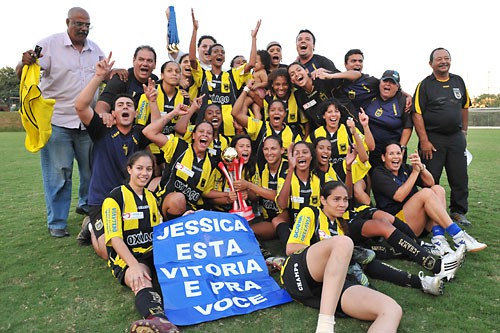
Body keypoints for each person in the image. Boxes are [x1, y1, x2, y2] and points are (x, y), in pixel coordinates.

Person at [15, 7, 105, 237]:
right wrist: (23, 62)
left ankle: (86, 205)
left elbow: (106, 73)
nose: (83, 28)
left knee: (91, 172)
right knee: (58, 175)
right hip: (58, 122)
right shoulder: (49, 45)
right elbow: (23, 70)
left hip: (87, 123)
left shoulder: (95, 49)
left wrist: (119, 72)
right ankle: (57, 222)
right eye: (79, 24)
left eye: (87, 25)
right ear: (68, 22)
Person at [280, 181, 402, 333]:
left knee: (391, 309)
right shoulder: (311, 212)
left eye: (345, 200)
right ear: (323, 200)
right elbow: (291, 248)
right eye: (336, 199)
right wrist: (332, 250)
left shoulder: (341, 227)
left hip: (328, 287)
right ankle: (325, 326)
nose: (342, 204)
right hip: (299, 272)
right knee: (344, 243)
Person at [74, 54, 163, 259]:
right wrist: (98, 77)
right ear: (112, 113)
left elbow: (157, 129)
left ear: (134, 114)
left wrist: (152, 102)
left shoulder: (138, 133)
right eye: (120, 105)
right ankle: (90, 226)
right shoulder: (101, 129)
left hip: (127, 199)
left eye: (129, 105)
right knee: (108, 252)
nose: (125, 107)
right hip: (102, 200)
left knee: (137, 241)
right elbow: (80, 106)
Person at [102, 150, 179, 333]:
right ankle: (157, 320)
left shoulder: (151, 197)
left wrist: (185, 218)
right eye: (139, 168)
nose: (144, 173)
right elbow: (114, 238)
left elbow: (161, 228)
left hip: (153, 253)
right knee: (141, 280)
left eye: (149, 169)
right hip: (128, 258)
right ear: (129, 169)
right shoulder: (114, 198)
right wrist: (133, 265)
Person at [371, 142, 487, 254]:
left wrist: (421, 168)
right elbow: (399, 196)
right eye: (391, 154)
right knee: (426, 193)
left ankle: (439, 240)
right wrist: (415, 173)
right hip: (398, 227)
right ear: (383, 157)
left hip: (418, 222)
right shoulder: (379, 173)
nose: (396, 157)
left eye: (398, 153)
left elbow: (430, 182)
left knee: (438, 189)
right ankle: (458, 235)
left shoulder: (405, 169)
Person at [412, 47, 472, 226]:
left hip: (455, 138)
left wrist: (464, 132)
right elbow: (417, 113)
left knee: (459, 177)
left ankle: (458, 212)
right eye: (439, 59)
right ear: (431, 63)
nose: (443, 61)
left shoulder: (458, 81)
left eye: (447, 58)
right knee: (430, 177)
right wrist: (424, 140)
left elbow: (465, 106)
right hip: (433, 139)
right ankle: (428, 212)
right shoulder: (425, 85)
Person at [143, 102, 222, 220]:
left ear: (211, 139)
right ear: (193, 135)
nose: (205, 134)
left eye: (209, 133)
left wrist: (229, 195)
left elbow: (206, 191)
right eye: (201, 131)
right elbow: (148, 132)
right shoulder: (178, 146)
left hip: (191, 212)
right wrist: (174, 113)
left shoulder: (211, 163)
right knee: (178, 199)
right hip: (167, 202)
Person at [189, 9, 260, 137]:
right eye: (216, 52)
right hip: (206, 127)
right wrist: (195, 30)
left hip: (229, 127)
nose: (219, 54)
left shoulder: (232, 75)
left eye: (222, 52)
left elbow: (251, 64)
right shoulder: (203, 74)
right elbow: (192, 59)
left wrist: (253, 38)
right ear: (209, 57)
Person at [306, 99, 374, 205]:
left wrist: (363, 127)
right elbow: (307, 156)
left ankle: (371, 211)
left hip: (353, 174)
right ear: (324, 116)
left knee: (357, 190)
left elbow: (369, 148)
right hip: (329, 176)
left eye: (336, 111)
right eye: (329, 112)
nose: (333, 114)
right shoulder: (315, 135)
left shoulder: (349, 130)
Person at [232, 82, 302, 166]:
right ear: (268, 113)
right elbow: (235, 113)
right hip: (261, 176)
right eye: (272, 110)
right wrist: (246, 89)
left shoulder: (294, 134)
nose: (276, 113)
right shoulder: (259, 126)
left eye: (280, 110)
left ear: (285, 114)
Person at [288, 62, 361, 134]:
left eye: (299, 70)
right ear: (292, 80)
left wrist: (330, 75)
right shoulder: (299, 96)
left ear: (306, 71)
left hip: (351, 123)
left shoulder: (322, 78)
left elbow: (357, 74)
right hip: (331, 134)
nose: (297, 74)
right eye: (292, 74)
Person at [363, 70, 413, 168]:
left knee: (391, 180)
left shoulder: (403, 101)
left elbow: (408, 127)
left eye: (392, 82)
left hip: (391, 150)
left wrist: (401, 149)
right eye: (385, 81)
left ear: (397, 87)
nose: (388, 84)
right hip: (369, 148)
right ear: (380, 82)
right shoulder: (371, 93)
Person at [95, 45, 158, 117]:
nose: (145, 64)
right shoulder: (121, 78)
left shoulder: (156, 83)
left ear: (155, 65)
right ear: (134, 61)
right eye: (141, 59)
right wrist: (105, 116)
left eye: (149, 61)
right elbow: (100, 107)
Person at [263, 68, 306, 136]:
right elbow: (267, 121)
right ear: (272, 84)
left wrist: (305, 138)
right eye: (277, 84)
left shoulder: (297, 95)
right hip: (276, 134)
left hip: (296, 133)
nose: (281, 88)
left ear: (289, 84)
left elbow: (306, 122)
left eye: (284, 84)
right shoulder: (268, 98)